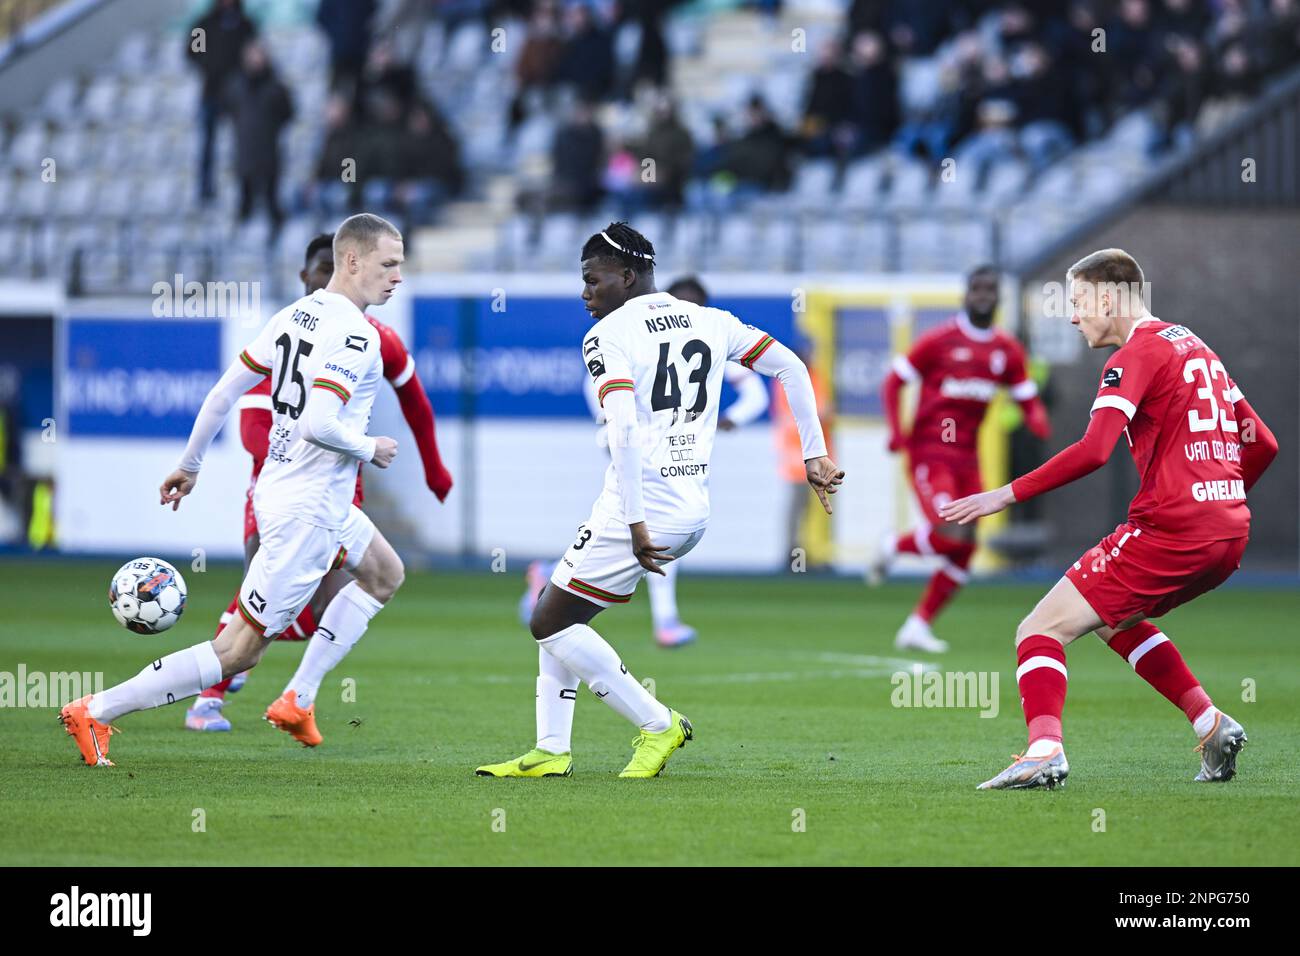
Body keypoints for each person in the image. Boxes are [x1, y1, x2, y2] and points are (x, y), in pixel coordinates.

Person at [479, 222, 843, 779]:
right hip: (689, 504)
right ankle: (550, 749)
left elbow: (622, 428)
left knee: (547, 620)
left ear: (626, 277)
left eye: (592, 280)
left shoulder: (608, 335)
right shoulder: (710, 321)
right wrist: (814, 453)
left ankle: (656, 724)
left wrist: (634, 520)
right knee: (562, 609)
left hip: (644, 506)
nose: (585, 294)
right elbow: (791, 366)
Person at [59, 215, 409, 765]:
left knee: (385, 572)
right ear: (353, 261)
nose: (398, 276)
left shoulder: (295, 314)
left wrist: (190, 464)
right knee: (236, 653)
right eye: (389, 264)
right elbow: (320, 421)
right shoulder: (360, 336)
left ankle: (299, 698)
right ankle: (95, 710)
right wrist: (372, 448)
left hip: (291, 489)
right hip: (308, 508)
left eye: (401, 265)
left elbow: (223, 392)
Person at [941, 248, 1278, 789]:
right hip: (1228, 533)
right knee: (1108, 617)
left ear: (1107, 296)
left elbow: (1094, 450)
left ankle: (1044, 750)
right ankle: (1210, 724)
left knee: (1038, 630)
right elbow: (1263, 442)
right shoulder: (1196, 347)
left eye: (1077, 302)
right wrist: (1222, 502)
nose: (1073, 316)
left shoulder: (1134, 355)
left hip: (1173, 528)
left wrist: (1005, 493)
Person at [185, 232, 453, 732]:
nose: (317, 280)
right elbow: (252, 430)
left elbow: (416, 400)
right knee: (264, 610)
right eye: (314, 272)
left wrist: (434, 468)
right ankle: (211, 692)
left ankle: (288, 693)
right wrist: (350, 449)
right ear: (325, 273)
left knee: (337, 598)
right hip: (282, 492)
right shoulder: (294, 336)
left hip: (339, 495)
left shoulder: (375, 339)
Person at [517, 275, 770, 648]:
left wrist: (732, 419)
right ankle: (664, 621)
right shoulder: (631, 335)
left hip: (670, 446)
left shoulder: (706, 337)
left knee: (642, 528)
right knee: (657, 523)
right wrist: (615, 424)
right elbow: (598, 386)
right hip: (630, 442)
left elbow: (756, 394)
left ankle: (553, 573)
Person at [873, 265, 1050, 652]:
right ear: (965, 294)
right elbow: (893, 380)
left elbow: (1025, 396)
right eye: (977, 288)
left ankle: (917, 626)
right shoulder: (939, 341)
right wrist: (895, 430)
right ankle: (894, 546)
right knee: (949, 529)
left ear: (998, 297)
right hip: (930, 452)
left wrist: (1036, 418)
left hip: (967, 459)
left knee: (967, 548)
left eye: (990, 289)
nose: (983, 295)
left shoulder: (1006, 351)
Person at [186, 0, 256, 203]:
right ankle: (206, 187)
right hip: (212, 91)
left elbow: (253, 51)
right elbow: (192, 51)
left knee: (243, 142)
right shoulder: (205, 24)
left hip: (239, 93)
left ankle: (245, 191)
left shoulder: (244, 24)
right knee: (208, 141)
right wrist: (208, 65)